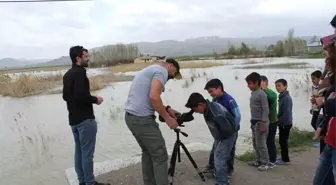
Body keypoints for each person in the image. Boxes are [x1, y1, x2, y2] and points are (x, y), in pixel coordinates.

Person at [124, 58, 182, 185]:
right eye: (173, 74)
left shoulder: (150, 69)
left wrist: (167, 109)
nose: (171, 77)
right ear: (170, 66)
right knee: (160, 156)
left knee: (148, 152)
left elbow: (148, 98)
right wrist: (168, 119)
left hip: (131, 118)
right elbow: (154, 97)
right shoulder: (162, 71)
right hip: (142, 120)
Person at [62, 46, 108, 185]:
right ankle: (90, 182)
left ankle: (82, 181)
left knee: (79, 152)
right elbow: (82, 96)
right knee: (87, 154)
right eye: (86, 56)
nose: (87, 59)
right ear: (78, 58)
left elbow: (65, 97)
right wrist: (96, 99)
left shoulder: (67, 75)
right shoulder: (80, 73)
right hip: (85, 120)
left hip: (74, 120)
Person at [185, 92, 238, 185]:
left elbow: (228, 130)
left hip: (226, 136)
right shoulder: (207, 105)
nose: (196, 112)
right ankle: (220, 175)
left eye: (195, 109)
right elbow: (196, 108)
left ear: (201, 104)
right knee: (217, 157)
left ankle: (222, 182)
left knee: (219, 159)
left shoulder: (216, 114)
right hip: (219, 136)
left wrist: (222, 143)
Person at [203, 78, 241, 177]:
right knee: (215, 149)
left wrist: (233, 130)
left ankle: (228, 170)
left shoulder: (229, 100)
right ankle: (212, 166)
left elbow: (237, 115)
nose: (210, 94)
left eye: (211, 91)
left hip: (230, 131)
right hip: (220, 132)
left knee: (229, 151)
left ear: (219, 88)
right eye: (209, 92)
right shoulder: (214, 100)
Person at [313, 36, 336, 185]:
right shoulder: (331, 78)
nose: (324, 56)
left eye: (327, 52)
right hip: (331, 139)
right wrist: (322, 125)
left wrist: (326, 103)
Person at [245, 72, 270, 171]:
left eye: (249, 83)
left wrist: (263, 123)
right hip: (254, 122)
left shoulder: (262, 94)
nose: (248, 86)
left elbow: (265, 109)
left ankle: (265, 163)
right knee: (255, 143)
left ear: (256, 83)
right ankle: (258, 160)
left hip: (261, 123)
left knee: (261, 144)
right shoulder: (253, 93)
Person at [274, 79, 293, 165]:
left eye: (279, 85)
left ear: (285, 86)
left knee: (283, 141)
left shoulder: (286, 98)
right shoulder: (282, 96)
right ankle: (283, 157)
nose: (277, 87)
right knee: (282, 141)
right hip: (283, 123)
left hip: (285, 123)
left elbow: (286, 114)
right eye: (276, 86)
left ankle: (286, 160)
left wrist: (277, 120)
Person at [260, 75, 278, 167]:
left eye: (261, 82)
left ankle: (272, 160)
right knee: (263, 141)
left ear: (266, 82)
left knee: (270, 141)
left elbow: (272, 97)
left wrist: (264, 89)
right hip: (264, 121)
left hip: (272, 121)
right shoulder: (260, 93)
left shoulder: (270, 93)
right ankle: (264, 159)